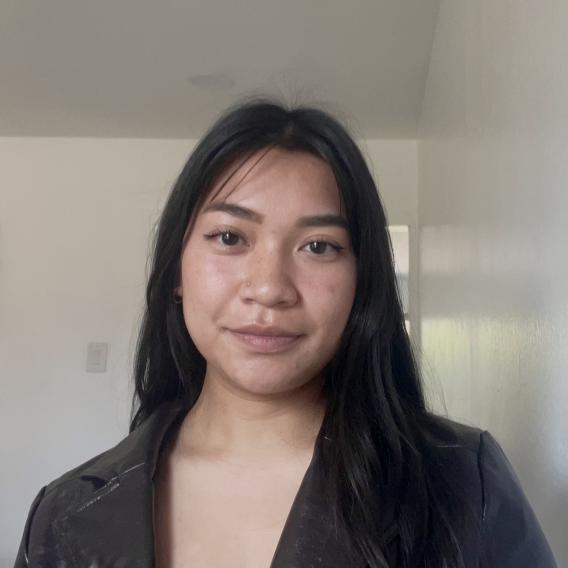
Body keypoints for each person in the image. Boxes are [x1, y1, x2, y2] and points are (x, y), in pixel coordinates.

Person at [15, 100, 557, 568]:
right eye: (230, 237)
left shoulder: (460, 481)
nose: (270, 288)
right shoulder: (64, 514)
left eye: (319, 246)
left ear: (361, 282)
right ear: (177, 269)